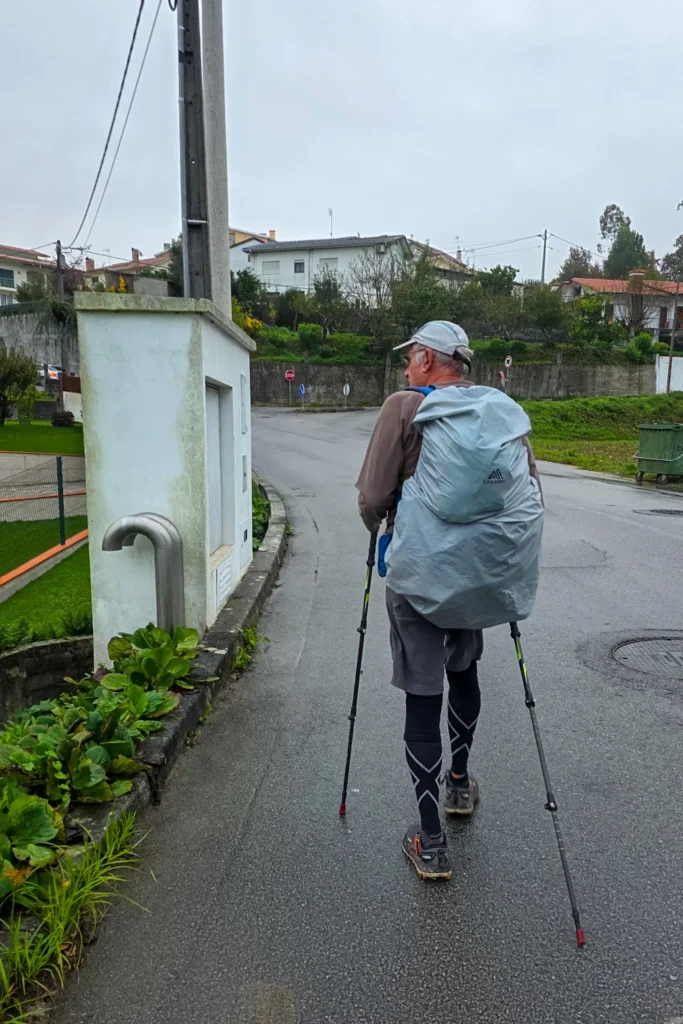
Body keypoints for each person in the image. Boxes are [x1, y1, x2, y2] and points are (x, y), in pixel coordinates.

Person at [356, 320, 543, 881]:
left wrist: (381, 528)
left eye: (410, 357)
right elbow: (528, 484)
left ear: (424, 358)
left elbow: (372, 494)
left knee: (421, 689)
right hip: (478, 576)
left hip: (419, 576)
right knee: (463, 671)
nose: (406, 367)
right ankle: (459, 783)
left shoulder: (404, 407)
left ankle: (431, 839)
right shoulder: (498, 409)